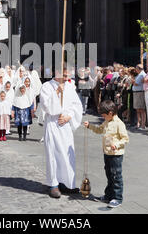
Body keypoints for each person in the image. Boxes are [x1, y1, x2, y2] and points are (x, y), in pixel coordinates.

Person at [39, 66, 83, 199]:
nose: (66, 78)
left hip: (65, 125)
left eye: (67, 75)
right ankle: (53, 184)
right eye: (64, 75)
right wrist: (56, 92)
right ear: (56, 73)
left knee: (67, 154)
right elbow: (46, 106)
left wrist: (69, 116)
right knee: (53, 154)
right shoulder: (47, 86)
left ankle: (66, 182)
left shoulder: (69, 87)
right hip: (53, 123)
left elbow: (77, 105)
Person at [83, 101, 129, 208]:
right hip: (107, 152)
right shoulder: (107, 122)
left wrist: (117, 144)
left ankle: (117, 198)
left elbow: (125, 138)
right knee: (109, 174)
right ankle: (108, 195)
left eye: (104, 116)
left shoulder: (119, 124)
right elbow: (99, 130)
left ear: (110, 113)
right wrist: (90, 126)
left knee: (116, 175)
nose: (103, 118)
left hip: (116, 154)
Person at [132, 65, 146, 129]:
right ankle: (138, 123)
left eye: (136, 69)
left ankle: (143, 124)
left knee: (141, 109)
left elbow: (136, 83)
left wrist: (133, 81)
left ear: (139, 69)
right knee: (137, 109)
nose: (135, 70)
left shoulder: (142, 74)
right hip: (136, 92)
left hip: (140, 92)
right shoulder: (139, 74)